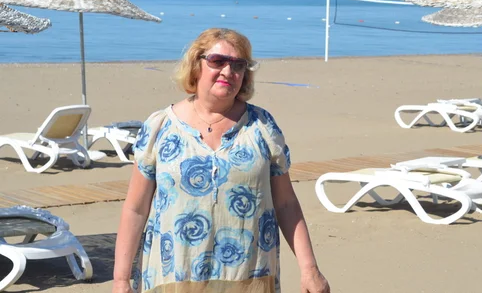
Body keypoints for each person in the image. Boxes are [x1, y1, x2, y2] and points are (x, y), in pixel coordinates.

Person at [113, 28, 329, 293]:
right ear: (196, 66)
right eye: (217, 61)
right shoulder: (160, 126)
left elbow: (286, 204)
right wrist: (121, 280)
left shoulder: (261, 126)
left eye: (238, 65)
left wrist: (310, 270)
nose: (228, 71)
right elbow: (136, 209)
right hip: (172, 278)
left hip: (249, 279)